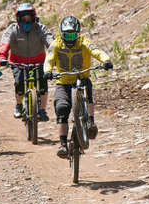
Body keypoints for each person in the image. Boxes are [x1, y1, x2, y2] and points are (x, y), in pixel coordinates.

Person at [42, 15, 113, 159]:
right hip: (63, 82)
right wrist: (48, 71)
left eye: (73, 34)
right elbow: (48, 60)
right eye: (66, 35)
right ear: (61, 33)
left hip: (82, 79)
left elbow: (96, 51)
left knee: (89, 92)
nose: (69, 38)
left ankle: (91, 122)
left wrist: (106, 60)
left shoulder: (84, 43)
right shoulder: (55, 45)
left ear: (78, 33)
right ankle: (63, 144)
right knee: (61, 109)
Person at [0, 3, 54, 122]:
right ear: (18, 19)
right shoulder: (12, 29)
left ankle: (42, 110)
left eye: (29, 17)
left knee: (43, 84)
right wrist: (2, 57)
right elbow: (5, 43)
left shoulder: (41, 28)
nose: (27, 21)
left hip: (39, 62)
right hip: (18, 62)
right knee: (19, 83)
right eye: (24, 18)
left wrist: (54, 52)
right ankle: (19, 105)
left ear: (34, 17)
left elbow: (50, 41)